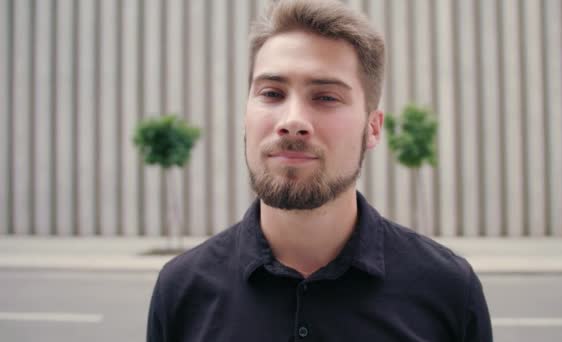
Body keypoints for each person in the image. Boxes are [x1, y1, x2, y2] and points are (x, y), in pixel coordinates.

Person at [146, 0, 493, 341]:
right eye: (271, 93)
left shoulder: (448, 289)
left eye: (326, 97)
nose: (292, 121)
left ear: (372, 128)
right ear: (245, 116)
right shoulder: (181, 291)